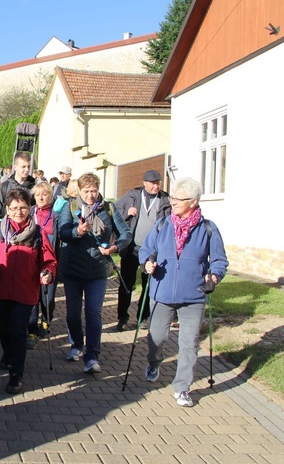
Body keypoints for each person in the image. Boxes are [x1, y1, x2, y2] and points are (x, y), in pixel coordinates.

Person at [140, 177, 228, 407]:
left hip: (194, 295)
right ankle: (154, 362)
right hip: (162, 291)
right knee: (156, 337)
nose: (173, 202)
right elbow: (147, 250)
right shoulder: (162, 225)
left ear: (193, 201)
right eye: (173, 198)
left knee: (188, 343)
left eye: (178, 199)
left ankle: (182, 387)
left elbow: (219, 260)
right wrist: (147, 263)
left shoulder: (208, 228)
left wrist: (215, 275)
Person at [0, 189, 56, 394]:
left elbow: (48, 261)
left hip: (26, 289)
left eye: (22, 207)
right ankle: (8, 354)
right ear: (7, 209)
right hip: (1, 288)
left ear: (29, 208)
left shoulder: (38, 233)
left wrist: (47, 272)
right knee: (3, 329)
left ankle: (15, 375)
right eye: (14, 208)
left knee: (18, 331)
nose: (18, 212)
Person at [57, 173, 131, 373]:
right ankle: (76, 345)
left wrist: (114, 248)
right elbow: (62, 232)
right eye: (86, 191)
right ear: (79, 191)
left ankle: (92, 357)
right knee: (73, 313)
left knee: (94, 314)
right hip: (73, 269)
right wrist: (77, 232)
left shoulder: (108, 208)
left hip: (97, 270)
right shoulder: (70, 207)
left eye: (94, 191)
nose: (91, 195)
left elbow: (126, 234)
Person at [115, 170, 171, 331]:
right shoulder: (133, 195)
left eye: (158, 182)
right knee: (126, 284)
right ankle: (122, 318)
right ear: (145, 182)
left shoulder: (165, 198)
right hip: (131, 248)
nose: (156, 186)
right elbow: (115, 211)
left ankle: (143, 317)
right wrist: (127, 213)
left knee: (148, 285)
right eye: (153, 183)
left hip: (152, 251)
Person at [26, 182, 60, 350]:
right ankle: (31, 331)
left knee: (48, 298)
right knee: (32, 298)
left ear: (50, 196)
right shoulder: (29, 212)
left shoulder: (56, 215)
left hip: (49, 261)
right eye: (38, 194)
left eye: (44, 194)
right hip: (32, 261)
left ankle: (46, 320)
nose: (40, 197)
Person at [0, 152, 35, 220]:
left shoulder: (35, 187)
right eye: (23, 166)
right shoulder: (4, 187)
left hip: (28, 228)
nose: (27, 169)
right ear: (15, 167)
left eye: (28, 166)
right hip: (7, 227)